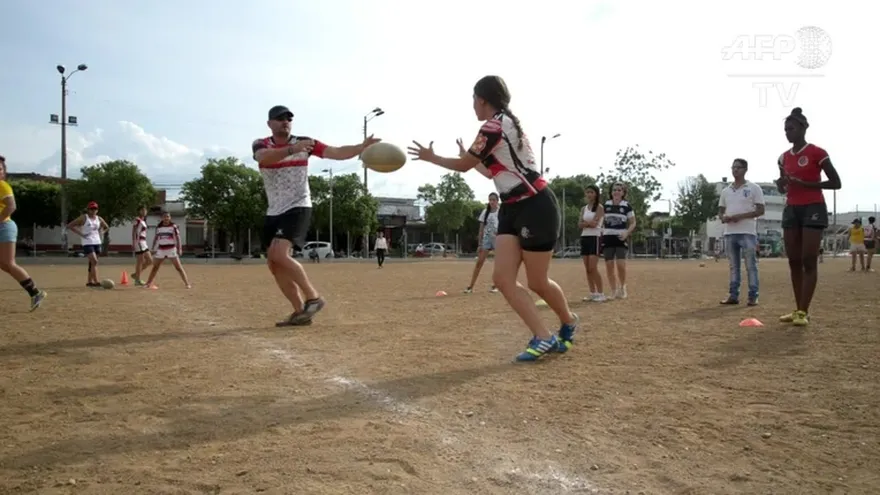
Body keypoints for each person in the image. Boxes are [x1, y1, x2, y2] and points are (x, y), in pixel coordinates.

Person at [407, 75, 579, 362]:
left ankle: (569, 321)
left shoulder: (494, 125)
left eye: (474, 100)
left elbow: (463, 166)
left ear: (482, 99)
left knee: (538, 282)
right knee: (502, 278)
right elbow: (491, 172)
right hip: (512, 207)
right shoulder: (502, 125)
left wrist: (431, 157)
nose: (473, 106)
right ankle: (544, 336)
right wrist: (469, 159)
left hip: (536, 205)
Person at [253, 104, 380, 327]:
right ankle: (300, 312)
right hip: (274, 210)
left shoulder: (306, 142)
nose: (286, 122)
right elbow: (264, 158)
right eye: (281, 118)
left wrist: (361, 147)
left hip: (298, 206)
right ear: (270, 124)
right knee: (274, 264)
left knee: (279, 254)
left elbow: (336, 152)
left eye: (289, 119)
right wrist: (293, 150)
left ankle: (314, 298)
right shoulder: (262, 143)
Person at [775, 107, 841, 326]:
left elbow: (836, 183)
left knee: (808, 259)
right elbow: (784, 189)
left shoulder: (817, 153)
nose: (787, 133)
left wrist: (807, 184)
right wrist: (781, 185)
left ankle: (804, 311)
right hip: (791, 209)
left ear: (804, 127)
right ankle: (798, 309)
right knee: (793, 261)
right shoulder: (783, 158)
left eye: (791, 128)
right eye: (785, 129)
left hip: (813, 206)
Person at [0, 155, 46, 310]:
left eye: (0, 169)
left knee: (9, 263)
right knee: (4, 264)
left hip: (4, 227)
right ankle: (35, 292)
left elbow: (11, 207)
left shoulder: (3, 186)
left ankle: (35, 293)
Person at [718, 158, 765, 306]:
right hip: (730, 232)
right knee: (733, 266)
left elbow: (760, 210)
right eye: (733, 167)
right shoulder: (726, 191)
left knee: (750, 265)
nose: (735, 170)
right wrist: (724, 218)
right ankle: (733, 295)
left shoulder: (753, 188)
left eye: (738, 167)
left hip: (747, 232)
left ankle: (753, 295)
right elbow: (720, 210)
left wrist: (740, 216)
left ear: (745, 169)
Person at [602, 182, 636, 299]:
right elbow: (600, 219)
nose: (616, 192)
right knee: (609, 265)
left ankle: (622, 287)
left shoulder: (626, 206)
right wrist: (601, 230)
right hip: (607, 237)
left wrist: (627, 232)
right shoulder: (606, 205)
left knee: (621, 265)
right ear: (611, 192)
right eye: (614, 190)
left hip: (620, 237)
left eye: (619, 190)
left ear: (623, 192)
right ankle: (613, 290)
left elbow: (633, 222)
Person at [463, 191, 500, 293]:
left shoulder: (501, 212)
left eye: (493, 200)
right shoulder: (485, 212)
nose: (491, 202)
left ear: (497, 201)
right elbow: (481, 229)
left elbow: (505, 226)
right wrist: (479, 243)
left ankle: (495, 285)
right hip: (487, 239)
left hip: (497, 239)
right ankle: (470, 286)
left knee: (498, 264)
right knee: (479, 263)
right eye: (490, 200)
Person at [67, 201, 109, 288]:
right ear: (88, 209)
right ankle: (96, 282)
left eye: (95, 209)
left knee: (92, 263)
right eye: (91, 209)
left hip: (97, 242)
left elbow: (106, 227)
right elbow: (70, 225)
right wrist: (81, 234)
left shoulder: (99, 218)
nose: (93, 210)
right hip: (87, 242)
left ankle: (89, 282)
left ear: (97, 210)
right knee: (94, 261)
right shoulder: (84, 218)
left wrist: (102, 232)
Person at [144, 211, 191, 288]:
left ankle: (187, 283)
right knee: (155, 267)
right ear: (162, 218)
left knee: (178, 267)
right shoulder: (159, 227)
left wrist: (180, 248)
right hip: (161, 249)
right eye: (165, 217)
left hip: (171, 249)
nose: (166, 218)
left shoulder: (173, 226)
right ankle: (148, 283)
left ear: (170, 218)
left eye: (168, 217)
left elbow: (178, 237)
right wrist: (153, 247)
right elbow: (156, 238)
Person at [579, 185, 605, 302]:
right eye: (587, 192)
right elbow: (579, 224)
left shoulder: (599, 207)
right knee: (587, 269)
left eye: (591, 192)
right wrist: (587, 223)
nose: (589, 194)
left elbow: (595, 224)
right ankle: (592, 292)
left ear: (596, 194)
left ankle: (601, 293)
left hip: (595, 237)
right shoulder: (584, 209)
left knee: (593, 267)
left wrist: (587, 223)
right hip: (585, 237)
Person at [131, 206, 153, 286]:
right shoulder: (137, 219)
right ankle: (137, 280)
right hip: (138, 242)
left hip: (144, 242)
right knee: (140, 261)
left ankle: (136, 275)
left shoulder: (143, 221)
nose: (144, 211)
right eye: (142, 210)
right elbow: (134, 231)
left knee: (150, 260)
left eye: (145, 210)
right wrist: (133, 242)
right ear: (139, 211)